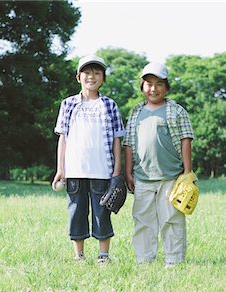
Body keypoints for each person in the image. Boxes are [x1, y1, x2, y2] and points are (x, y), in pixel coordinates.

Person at [52, 54, 126, 263]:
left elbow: (117, 140)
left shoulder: (109, 105)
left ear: (103, 78)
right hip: (75, 169)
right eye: (87, 72)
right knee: (76, 211)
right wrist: (61, 168)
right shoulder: (68, 104)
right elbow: (63, 138)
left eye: (96, 73)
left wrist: (117, 170)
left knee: (102, 212)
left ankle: (104, 255)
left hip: (102, 169)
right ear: (78, 77)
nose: (91, 77)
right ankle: (79, 255)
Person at [123, 62, 195, 268]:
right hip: (142, 177)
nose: (153, 89)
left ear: (167, 87)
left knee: (172, 219)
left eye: (159, 84)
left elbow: (186, 139)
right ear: (142, 87)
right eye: (148, 84)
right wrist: (128, 172)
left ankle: (173, 260)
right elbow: (128, 143)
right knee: (143, 220)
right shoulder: (136, 112)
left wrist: (187, 172)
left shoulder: (176, 111)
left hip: (171, 177)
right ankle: (144, 260)